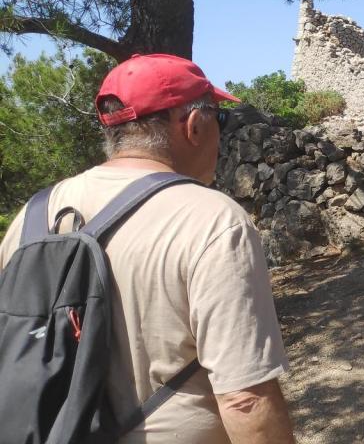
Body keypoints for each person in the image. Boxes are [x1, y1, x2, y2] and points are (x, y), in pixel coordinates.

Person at [0, 54, 295, 444]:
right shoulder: (213, 220)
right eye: (219, 119)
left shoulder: (35, 212)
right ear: (193, 125)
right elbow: (246, 398)